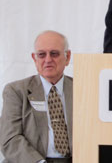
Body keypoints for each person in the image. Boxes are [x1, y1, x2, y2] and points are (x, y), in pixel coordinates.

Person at [0, 30, 72, 163]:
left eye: (54, 54)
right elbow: (9, 139)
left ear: (67, 57)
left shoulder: (82, 89)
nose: (48, 60)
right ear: (34, 58)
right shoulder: (16, 91)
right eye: (42, 54)